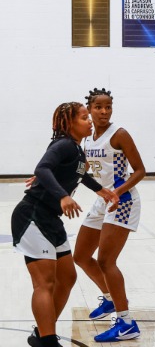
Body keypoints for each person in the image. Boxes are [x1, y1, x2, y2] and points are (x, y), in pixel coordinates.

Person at [11, 102, 119, 347]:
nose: (89, 121)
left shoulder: (76, 149)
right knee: (45, 283)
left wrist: (101, 190)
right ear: (69, 123)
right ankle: (47, 340)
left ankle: (42, 332)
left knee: (68, 277)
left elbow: (80, 174)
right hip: (32, 216)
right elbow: (42, 168)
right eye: (84, 117)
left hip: (51, 219)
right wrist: (63, 195)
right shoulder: (63, 145)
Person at [72, 89, 146, 343]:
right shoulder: (88, 138)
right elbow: (82, 170)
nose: (104, 112)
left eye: (108, 107)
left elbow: (140, 171)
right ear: (90, 109)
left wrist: (117, 192)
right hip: (103, 200)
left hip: (123, 201)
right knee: (81, 255)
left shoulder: (119, 134)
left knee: (106, 261)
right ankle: (109, 298)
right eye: (99, 107)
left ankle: (126, 323)